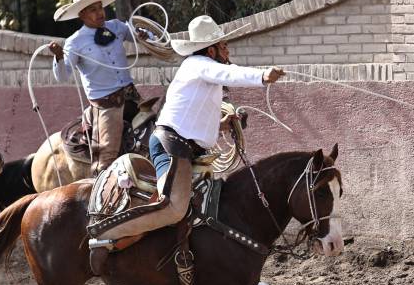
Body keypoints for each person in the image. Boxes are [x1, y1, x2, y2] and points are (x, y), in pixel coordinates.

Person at [87, 15, 284, 268]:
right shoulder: (199, 64)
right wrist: (263, 75)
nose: (227, 50)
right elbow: (230, 72)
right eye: (223, 46)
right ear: (210, 49)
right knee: (174, 207)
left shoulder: (205, 76)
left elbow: (197, 118)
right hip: (173, 146)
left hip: (184, 147)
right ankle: (104, 236)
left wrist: (223, 125)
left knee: (209, 208)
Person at [50, 0, 149, 174]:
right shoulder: (74, 42)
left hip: (132, 97)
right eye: (92, 10)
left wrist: (146, 34)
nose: (99, 13)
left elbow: (140, 36)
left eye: (100, 8)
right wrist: (59, 57)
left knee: (157, 129)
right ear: (82, 15)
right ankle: (102, 192)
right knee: (107, 156)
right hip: (107, 105)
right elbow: (62, 76)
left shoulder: (117, 27)